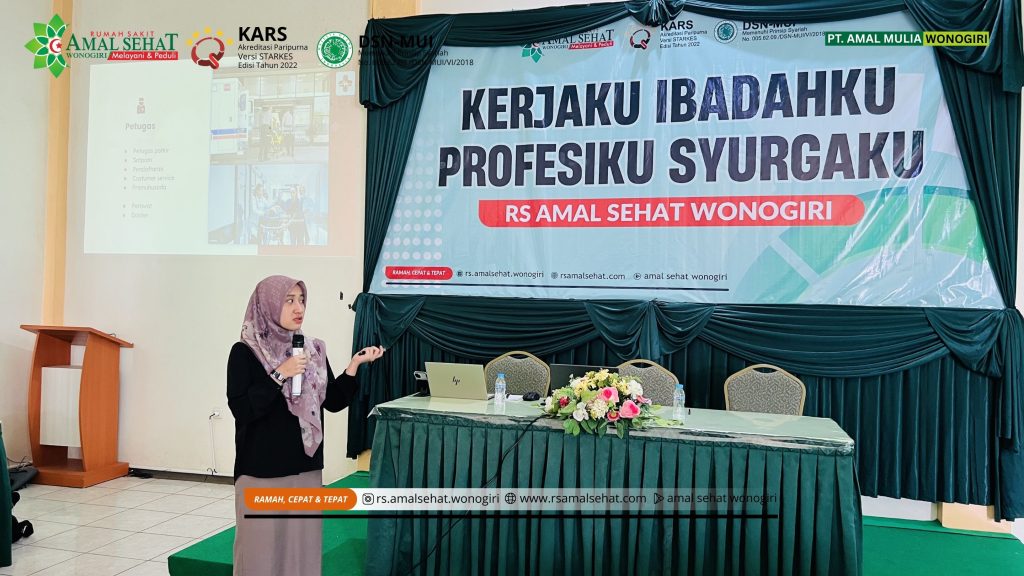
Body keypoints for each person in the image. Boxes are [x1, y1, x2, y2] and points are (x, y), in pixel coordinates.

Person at [227, 275, 384, 576]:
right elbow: (242, 410)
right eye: (289, 301)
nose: (298, 308)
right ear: (267, 305)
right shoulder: (245, 351)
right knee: (260, 554)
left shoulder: (312, 350)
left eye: (301, 300)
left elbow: (333, 401)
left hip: (305, 469)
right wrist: (280, 374)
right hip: (262, 471)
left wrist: (354, 365)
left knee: (302, 553)